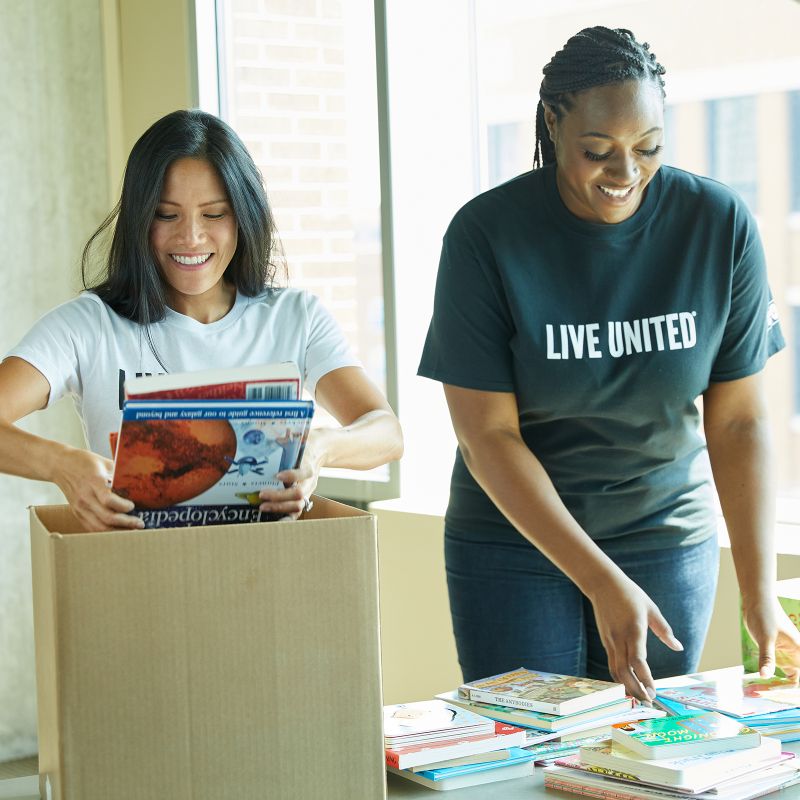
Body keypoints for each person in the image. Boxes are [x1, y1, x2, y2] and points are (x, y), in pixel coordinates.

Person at [418, 26, 800, 702]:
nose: (625, 173)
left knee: (644, 757)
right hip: (513, 542)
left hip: (663, 536)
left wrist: (758, 588)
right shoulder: (486, 237)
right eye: (598, 151)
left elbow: (739, 423)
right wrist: (598, 578)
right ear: (553, 123)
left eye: (647, 148)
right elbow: (487, 438)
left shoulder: (719, 225)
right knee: (529, 759)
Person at [0, 109, 403, 532]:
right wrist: (62, 465)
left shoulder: (295, 317)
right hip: (134, 578)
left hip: (267, 577)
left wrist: (319, 448)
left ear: (243, 217)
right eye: (166, 214)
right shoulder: (87, 324)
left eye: (214, 214)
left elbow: (387, 432)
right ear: (140, 219)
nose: (191, 237)